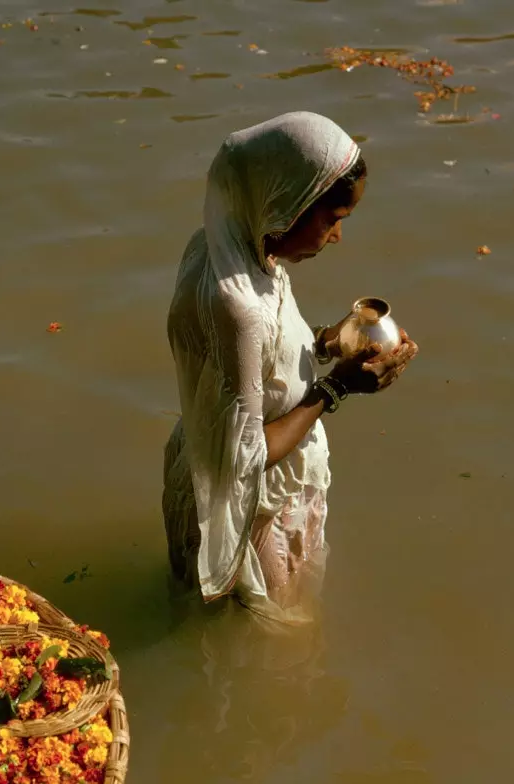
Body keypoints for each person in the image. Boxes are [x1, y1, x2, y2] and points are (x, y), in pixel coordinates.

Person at [163, 111, 418, 621]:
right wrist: (335, 390)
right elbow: (247, 460)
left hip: (199, 463)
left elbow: (261, 358)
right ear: (286, 204)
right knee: (281, 641)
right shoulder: (238, 305)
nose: (337, 236)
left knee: (213, 625)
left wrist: (335, 339)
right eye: (334, 218)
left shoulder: (232, 250)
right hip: (254, 506)